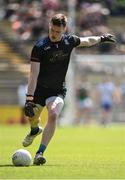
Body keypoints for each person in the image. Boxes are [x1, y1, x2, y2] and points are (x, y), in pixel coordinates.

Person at [22, 13, 116, 165]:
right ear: (49, 26)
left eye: (57, 32)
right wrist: (29, 99)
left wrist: (102, 38)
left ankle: (40, 153)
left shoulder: (69, 41)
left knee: (53, 114)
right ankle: (34, 130)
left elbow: (86, 41)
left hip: (57, 90)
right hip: (39, 90)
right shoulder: (39, 47)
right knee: (32, 118)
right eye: (52, 30)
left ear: (64, 29)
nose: (54, 34)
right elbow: (33, 75)